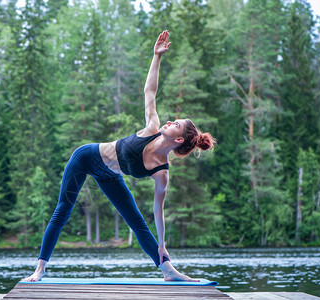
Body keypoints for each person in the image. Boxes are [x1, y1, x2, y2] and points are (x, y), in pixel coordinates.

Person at [23, 30, 216, 282]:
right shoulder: (152, 128)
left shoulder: (162, 173)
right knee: (63, 210)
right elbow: (150, 91)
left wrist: (163, 244)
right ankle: (39, 270)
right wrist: (156, 57)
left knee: (137, 221)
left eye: (176, 124)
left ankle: (169, 271)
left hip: (110, 177)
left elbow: (158, 212)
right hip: (86, 158)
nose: (169, 121)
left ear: (178, 140)